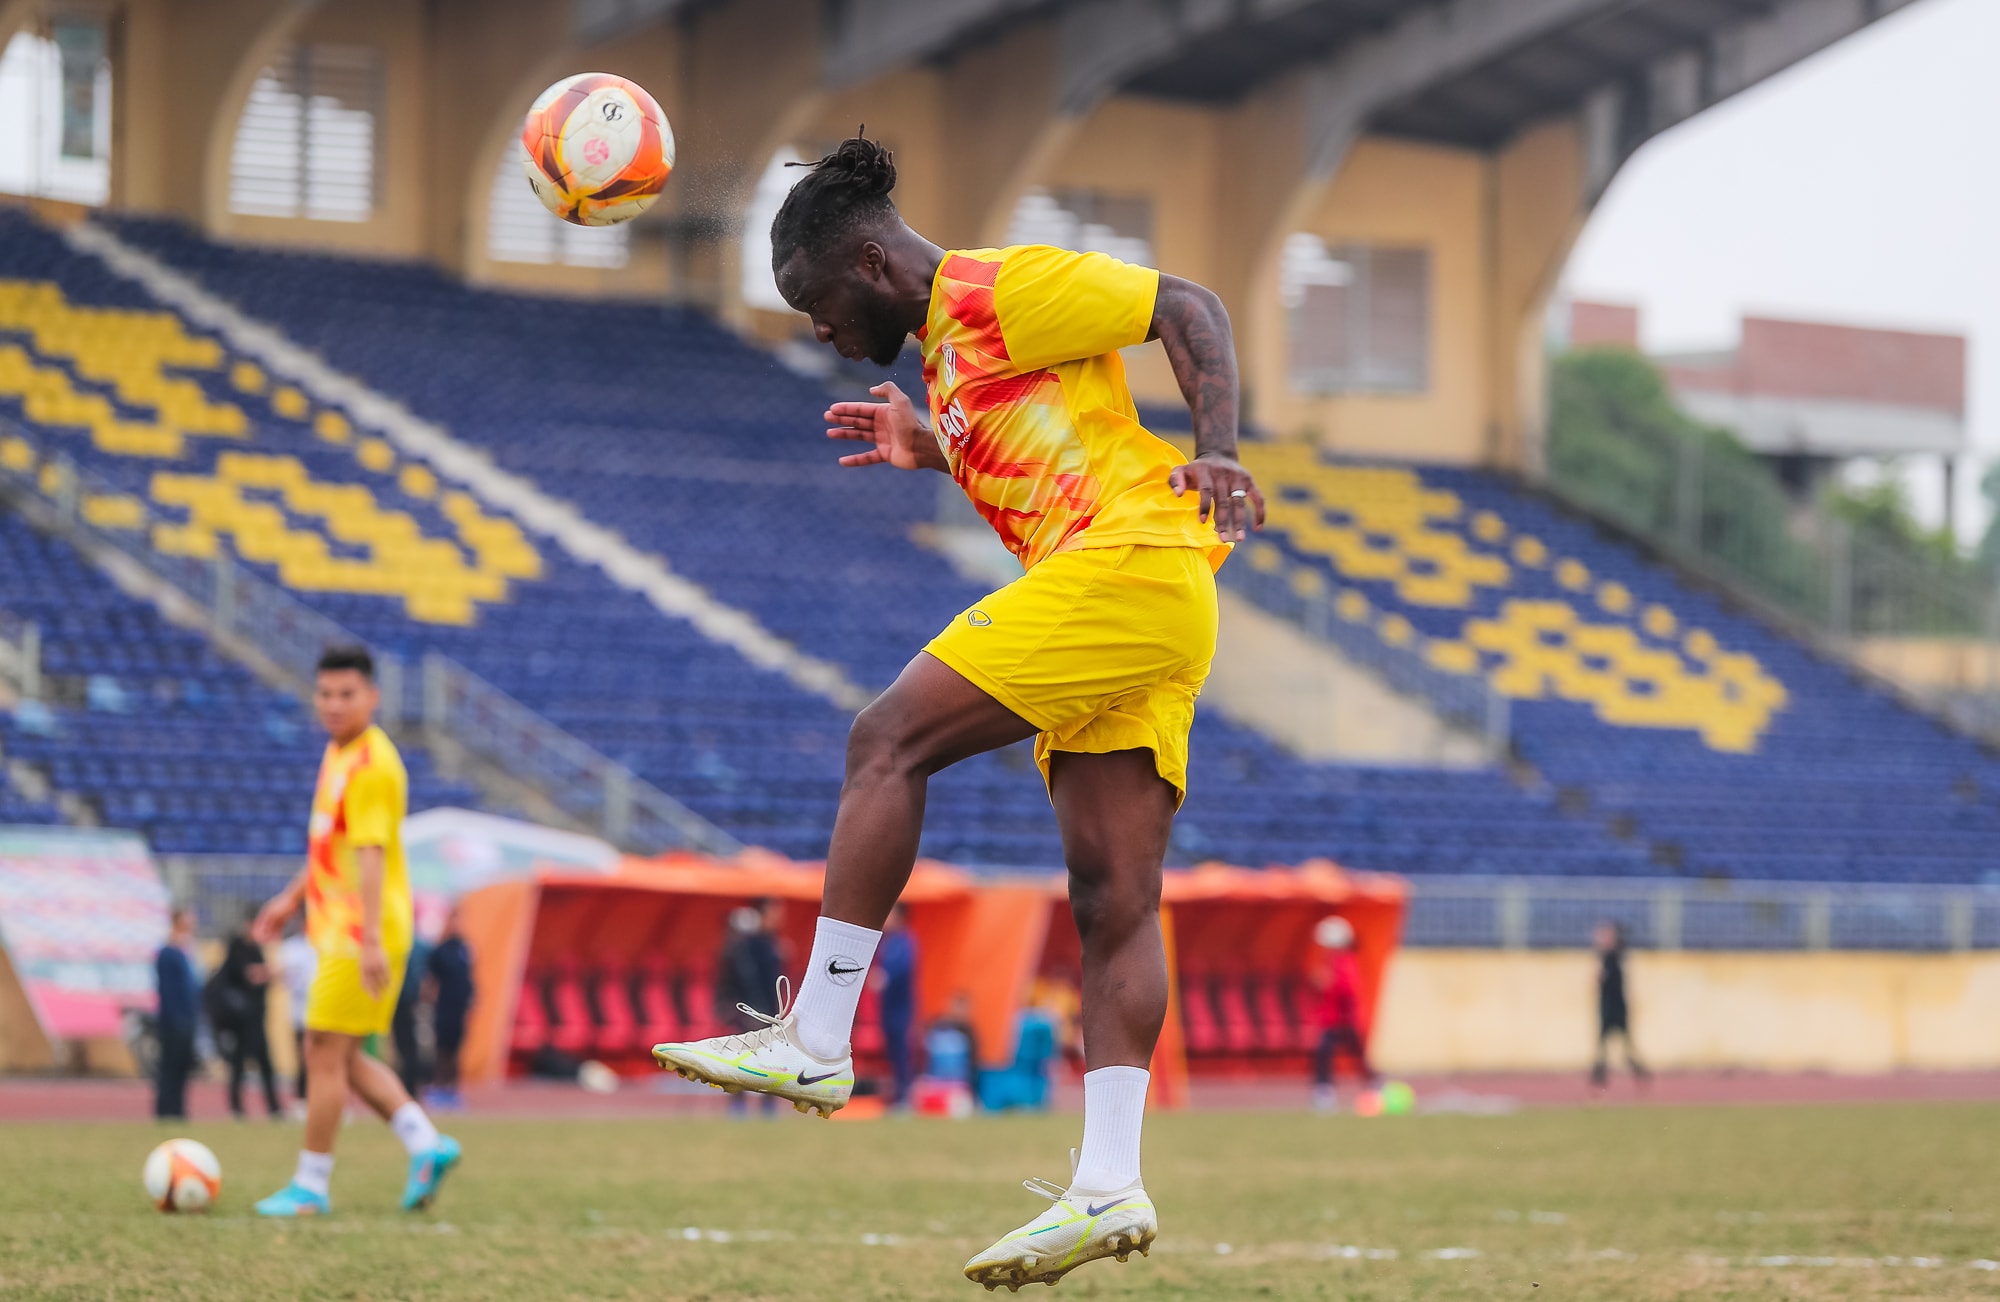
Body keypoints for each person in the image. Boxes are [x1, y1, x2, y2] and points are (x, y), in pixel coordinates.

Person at [652, 134, 1262, 1290]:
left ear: (871, 264)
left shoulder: (1000, 289)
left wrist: (1219, 452)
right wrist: (931, 449)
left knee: (885, 739)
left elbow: (1187, 305)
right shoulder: (946, 360)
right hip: (1140, 601)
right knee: (1112, 898)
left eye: (819, 307)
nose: (819, 333)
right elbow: (1042, 447)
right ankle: (1108, 1183)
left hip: (1127, 566)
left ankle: (816, 1036)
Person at [247, 646, 460, 1217]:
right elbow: (331, 844)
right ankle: (427, 1144)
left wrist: (368, 942)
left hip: (359, 931)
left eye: (347, 694)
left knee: (320, 1049)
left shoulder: (372, 764)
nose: (334, 704)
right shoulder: (338, 752)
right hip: (344, 927)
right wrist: (291, 899)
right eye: (325, 694)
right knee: (342, 1055)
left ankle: (310, 1186)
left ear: (373, 697)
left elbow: (371, 855)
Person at [713, 899, 785, 1117]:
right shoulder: (744, 946)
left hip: (769, 1010)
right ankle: (739, 1104)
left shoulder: (771, 943)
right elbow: (738, 980)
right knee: (742, 1057)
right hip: (747, 1010)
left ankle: (768, 1105)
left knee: (771, 1059)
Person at [212, 905, 282, 1119]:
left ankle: (274, 1108)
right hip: (240, 1020)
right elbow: (249, 975)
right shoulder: (237, 945)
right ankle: (236, 1108)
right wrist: (268, 972)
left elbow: (262, 976)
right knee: (238, 1064)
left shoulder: (256, 949)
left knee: (265, 1064)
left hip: (256, 1017)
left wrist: (266, 974)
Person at [1308, 915, 1377, 1112]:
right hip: (1331, 1019)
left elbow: (1347, 989)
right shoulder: (1331, 960)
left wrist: (1327, 983)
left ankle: (1374, 1084)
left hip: (1344, 1020)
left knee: (1356, 1054)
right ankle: (1324, 1091)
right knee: (1325, 1053)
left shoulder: (1344, 961)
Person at [423, 907, 474, 1112]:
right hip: (444, 1006)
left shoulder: (465, 948)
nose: (457, 925)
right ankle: (438, 1087)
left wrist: (472, 997)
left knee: (456, 1049)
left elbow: (469, 976)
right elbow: (430, 980)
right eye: (454, 920)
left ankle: (453, 1089)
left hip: (460, 1007)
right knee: (442, 1049)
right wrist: (430, 999)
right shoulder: (440, 950)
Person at [153, 906, 200, 1120]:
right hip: (174, 1021)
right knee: (169, 1067)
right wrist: (176, 1019)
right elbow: (169, 991)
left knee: (181, 1068)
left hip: (187, 1019)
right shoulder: (168, 953)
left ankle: (178, 1110)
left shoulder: (187, 951)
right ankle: (166, 1110)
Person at [1592, 921, 1649, 1090]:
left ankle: (1638, 1073)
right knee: (1603, 1047)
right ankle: (1599, 1080)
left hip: (1616, 1008)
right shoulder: (1609, 957)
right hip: (1608, 1007)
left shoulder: (1615, 956)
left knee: (1624, 1047)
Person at [873, 902, 918, 1107]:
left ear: (900, 917)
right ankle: (895, 1095)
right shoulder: (886, 942)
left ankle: (904, 1096)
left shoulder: (905, 942)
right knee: (890, 1052)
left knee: (902, 1052)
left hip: (902, 1009)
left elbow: (902, 969)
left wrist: (885, 978)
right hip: (887, 1008)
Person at [277, 920, 317, 1114]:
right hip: (301, 1014)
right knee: (304, 1058)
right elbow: (286, 978)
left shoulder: (323, 944)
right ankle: (302, 1099)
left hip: (323, 1015)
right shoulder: (290, 947)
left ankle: (324, 1101)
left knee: (325, 1061)